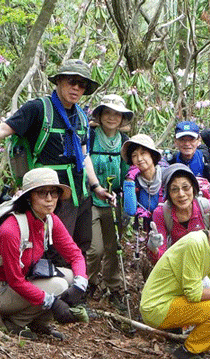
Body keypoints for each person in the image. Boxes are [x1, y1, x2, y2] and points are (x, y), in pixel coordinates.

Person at [0, 59, 113, 265]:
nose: (77, 88)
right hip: (52, 194)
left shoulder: (80, 115)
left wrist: (95, 186)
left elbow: (83, 154)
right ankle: (50, 293)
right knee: (55, 250)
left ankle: (74, 291)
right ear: (59, 81)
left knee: (81, 245)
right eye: (72, 81)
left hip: (80, 193)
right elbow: (3, 129)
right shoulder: (38, 109)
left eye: (82, 84)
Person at [0, 168, 88, 340]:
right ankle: (13, 323)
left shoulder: (48, 219)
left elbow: (75, 255)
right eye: (42, 193)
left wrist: (80, 284)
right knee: (58, 285)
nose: (49, 199)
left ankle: (38, 322)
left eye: (54, 193)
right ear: (29, 197)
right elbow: (15, 281)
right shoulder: (11, 229)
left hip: (19, 281)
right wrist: (54, 303)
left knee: (71, 276)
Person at [140, 200, 210, 359]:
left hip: (181, 305)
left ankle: (198, 353)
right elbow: (194, 294)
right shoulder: (196, 242)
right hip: (157, 307)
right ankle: (183, 356)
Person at [86, 94, 132, 309]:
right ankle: (87, 283)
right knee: (95, 249)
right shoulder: (90, 136)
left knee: (114, 248)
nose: (112, 117)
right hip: (92, 199)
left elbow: (130, 172)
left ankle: (114, 287)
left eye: (117, 114)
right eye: (108, 112)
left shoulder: (125, 142)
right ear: (100, 115)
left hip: (116, 200)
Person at [147, 164, 210, 264]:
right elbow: (161, 258)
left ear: (193, 188)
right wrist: (154, 248)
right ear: (168, 193)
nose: (181, 194)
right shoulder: (161, 213)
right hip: (177, 265)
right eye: (174, 189)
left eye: (185, 187)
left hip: (206, 265)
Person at [167, 121, 210, 204]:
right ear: (175, 141)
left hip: (205, 209)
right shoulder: (171, 162)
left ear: (199, 140)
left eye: (191, 139)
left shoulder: (209, 159)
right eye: (182, 140)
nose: (187, 144)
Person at [122, 134, 164, 232]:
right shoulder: (134, 181)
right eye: (134, 155)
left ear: (152, 155)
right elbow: (130, 210)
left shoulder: (166, 175)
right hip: (148, 231)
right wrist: (129, 180)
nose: (139, 159)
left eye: (143, 153)